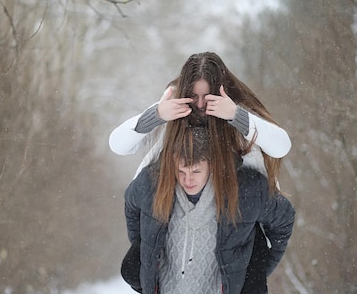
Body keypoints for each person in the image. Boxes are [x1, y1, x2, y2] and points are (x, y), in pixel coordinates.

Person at [122, 125, 295, 294]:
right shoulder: (152, 184)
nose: (188, 180)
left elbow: (284, 221)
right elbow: (131, 206)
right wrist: (142, 249)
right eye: (181, 172)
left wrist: (259, 270)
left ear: (212, 165)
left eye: (196, 171)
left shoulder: (246, 189)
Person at [109, 52, 291, 193]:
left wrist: (236, 116)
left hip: (234, 218)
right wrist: (156, 114)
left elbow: (281, 146)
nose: (201, 104)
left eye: (208, 96)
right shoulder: (172, 108)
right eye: (193, 96)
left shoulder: (235, 109)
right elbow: (118, 145)